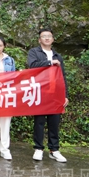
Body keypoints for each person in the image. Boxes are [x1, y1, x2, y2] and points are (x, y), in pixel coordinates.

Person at [27, 28, 69, 163]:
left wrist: (65, 95)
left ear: (53, 39)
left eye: (49, 36)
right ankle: (38, 148)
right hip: (40, 92)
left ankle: (54, 150)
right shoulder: (34, 52)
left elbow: (63, 76)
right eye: (44, 36)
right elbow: (32, 66)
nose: (46, 38)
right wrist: (50, 62)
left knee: (54, 122)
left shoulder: (57, 56)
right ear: (39, 40)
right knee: (39, 122)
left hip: (55, 93)